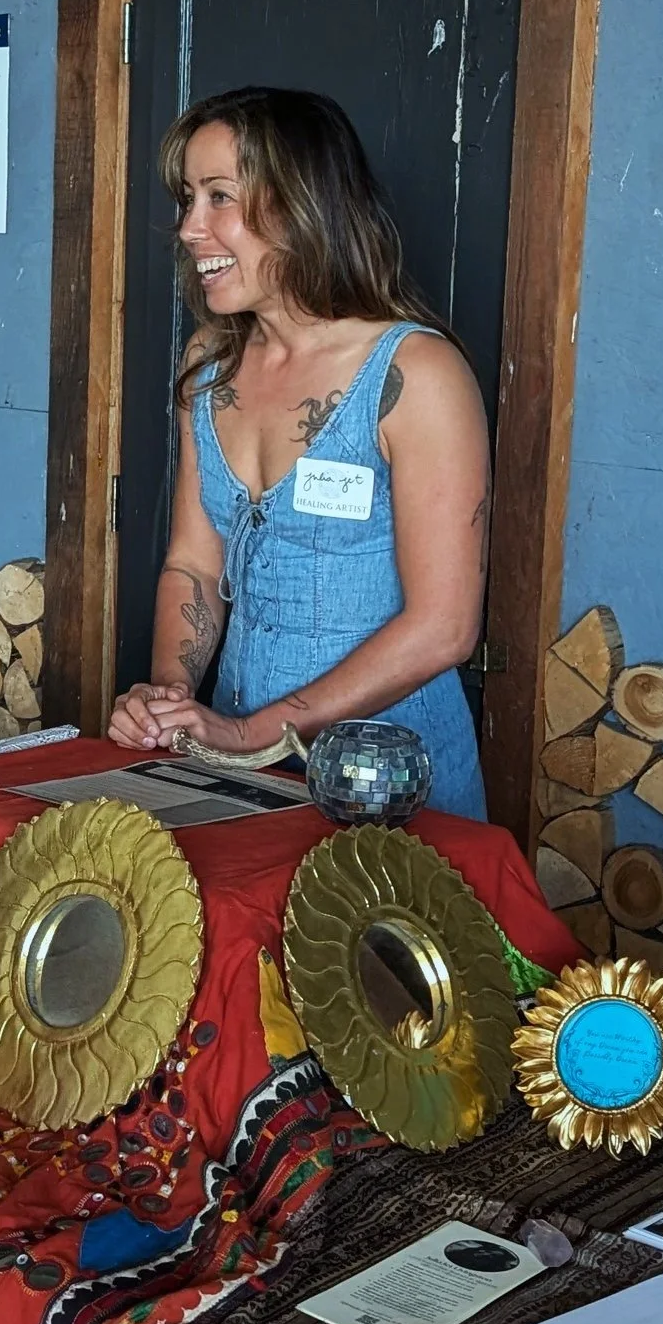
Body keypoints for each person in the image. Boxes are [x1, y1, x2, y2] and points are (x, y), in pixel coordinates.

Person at [107, 86, 492, 816]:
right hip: (238, 772)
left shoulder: (416, 373)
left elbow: (444, 626)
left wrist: (254, 732)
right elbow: (193, 562)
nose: (191, 228)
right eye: (189, 197)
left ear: (303, 205)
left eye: (221, 197)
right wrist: (170, 700)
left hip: (389, 784)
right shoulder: (210, 363)